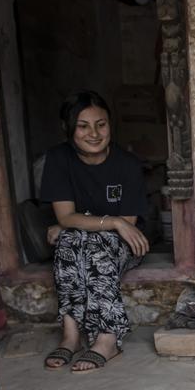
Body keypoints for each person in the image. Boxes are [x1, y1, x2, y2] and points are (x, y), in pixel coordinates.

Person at [42, 91, 149, 373]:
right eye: (83, 125)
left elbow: (126, 227)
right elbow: (66, 216)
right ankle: (71, 335)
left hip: (125, 245)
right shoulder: (58, 158)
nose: (94, 133)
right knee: (68, 242)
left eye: (101, 124)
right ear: (69, 129)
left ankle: (107, 338)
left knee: (94, 245)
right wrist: (111, 221)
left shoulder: (127, 164)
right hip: (89, 238)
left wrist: (77, 222)